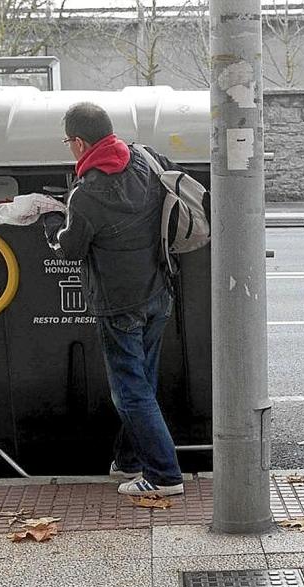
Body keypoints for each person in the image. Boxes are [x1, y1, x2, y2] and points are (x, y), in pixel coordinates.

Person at [43, 102, 184, 496]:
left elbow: (68, 250)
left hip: (119, 305)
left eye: (69, 141)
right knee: (141, 382)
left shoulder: (86, 193)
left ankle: (164, 475)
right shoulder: (144, 159)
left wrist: (49, 218)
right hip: (158, 292)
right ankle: (129, 461)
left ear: (80, 141)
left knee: (128, 391)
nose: (70, 148)